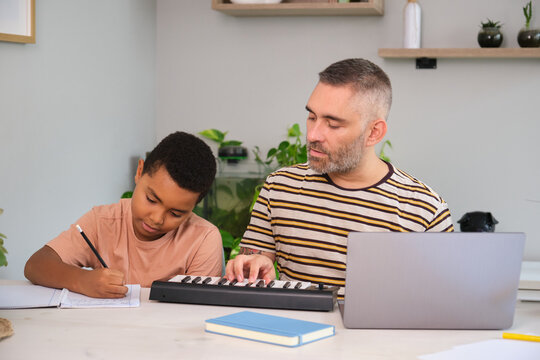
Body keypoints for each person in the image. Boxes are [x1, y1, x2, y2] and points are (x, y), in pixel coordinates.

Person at [225, 58, 454, 298]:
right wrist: (254, 264)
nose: (313, 135)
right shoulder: (278, 187)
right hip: (292, 332)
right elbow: (256, 260)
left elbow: (440, 302)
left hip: (378, 335)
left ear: (374, 132)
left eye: (332, 124)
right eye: (312, 117)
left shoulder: (426, 210)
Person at [25, 131, 223, 298]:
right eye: (151, 200)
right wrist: (81, 280)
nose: (157, 218)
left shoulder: (203, 239)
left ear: (194, 206)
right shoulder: (102, 221)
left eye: (176, 213)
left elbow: (197, 310)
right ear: (139, 172)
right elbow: (36, 265)